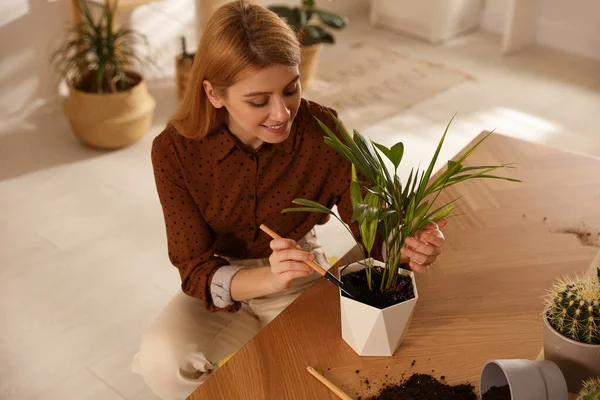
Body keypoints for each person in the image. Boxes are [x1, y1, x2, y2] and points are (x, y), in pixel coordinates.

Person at [132, 1, 447, 399]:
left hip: (300, 270)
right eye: (259, 101)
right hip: (222, 280)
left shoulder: (321, 130)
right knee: (166, 362)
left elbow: (370, 222)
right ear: (214, 94)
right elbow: (194, 270)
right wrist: (267, 278)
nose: (282, 113)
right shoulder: (174, 152)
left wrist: (407, 245)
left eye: (291, 89)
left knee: (323, 372)